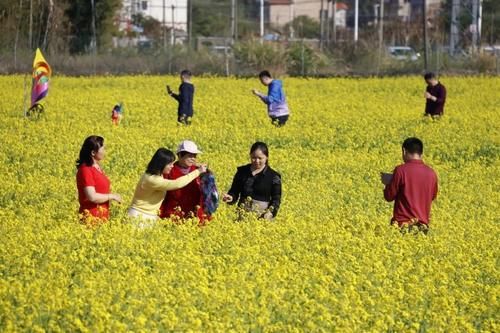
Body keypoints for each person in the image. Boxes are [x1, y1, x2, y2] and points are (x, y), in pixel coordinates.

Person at [128, 148, 207, 223]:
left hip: (149, 216)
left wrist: (194, 165)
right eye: (170, 164)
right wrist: (198, 171)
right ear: (161, 164)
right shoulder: (153, 180)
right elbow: (177, 184)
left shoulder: (154, 174)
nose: (172, 166)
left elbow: (180, 164)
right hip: (139, 216)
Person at [381, 137, 438, 231]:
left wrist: (387, 183)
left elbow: (389, 197)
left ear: (404, 151)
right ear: (421, 153)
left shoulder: (400, 170)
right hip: (422, 227)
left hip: (402, 225)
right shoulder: (432, 173)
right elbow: (432, 197)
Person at [222, 142, 282, 220]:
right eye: (254, 157)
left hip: (263, 217)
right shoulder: (242, 172)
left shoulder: (273, 176)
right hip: (242, 215)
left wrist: (270, 212)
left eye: (260, 158)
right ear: (250, 155)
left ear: (266, 157)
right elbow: (234, 191)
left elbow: (276, 199)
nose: (256, 161)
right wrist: (231, 197)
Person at [159, 140, 209, 221]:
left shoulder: (200, 171)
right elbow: (161, 195)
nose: (193, 159)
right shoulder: (168, 171)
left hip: (194, 217)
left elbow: (209, 195)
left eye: (194, 156)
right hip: (172, 216)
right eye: (189, 156)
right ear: (179, 155)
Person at [76, 135, 122, 223]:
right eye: (103, 149)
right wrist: (112, 196)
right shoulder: (86, 170)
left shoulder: (96, 167)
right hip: (90, 219)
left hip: (101, 218)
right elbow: (91, 196)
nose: (105, 152)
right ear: (93, 152)